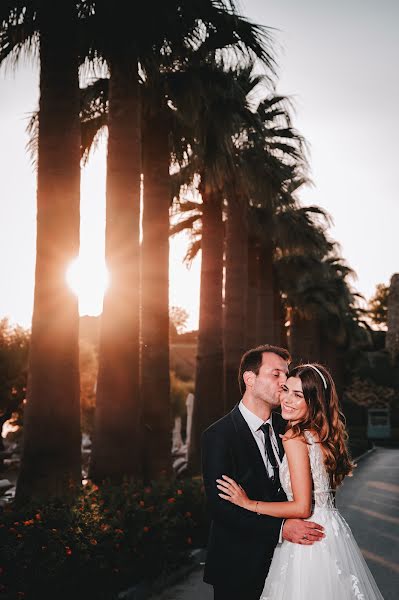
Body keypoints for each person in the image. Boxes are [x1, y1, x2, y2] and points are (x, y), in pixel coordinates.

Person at [217, 363, 384, 600]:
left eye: (298, 395)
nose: (286, 399)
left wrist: (248, 503)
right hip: (331, 530)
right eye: (285, 390)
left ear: (313, 401)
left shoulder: (295, 437)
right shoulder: (321, 436)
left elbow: (302, 507)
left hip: (307, 536)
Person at [201, 346, 325, 600]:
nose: (284, 383)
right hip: (238, 567)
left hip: (291, 562)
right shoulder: (218, 436)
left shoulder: (291, 429)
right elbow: (221, 509)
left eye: (286, 375)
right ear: (250, 379)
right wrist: (280, 529)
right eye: (276, 374)